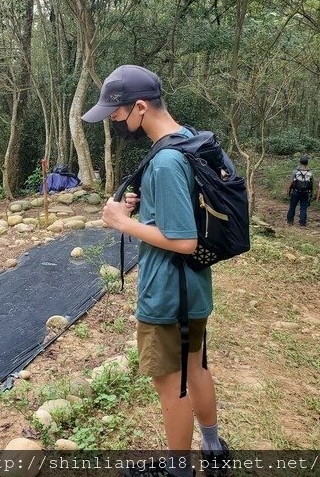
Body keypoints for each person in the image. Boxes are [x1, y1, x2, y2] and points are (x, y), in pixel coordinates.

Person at [82, 65, 229, 477]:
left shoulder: (165, 161)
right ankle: (214, 448)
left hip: (168, 293)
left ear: (141, 107)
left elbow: (183, 240)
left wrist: (122, 222)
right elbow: (185, 211)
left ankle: (179, 470)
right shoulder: (189, 142)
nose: (113, 122)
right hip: (194, 288)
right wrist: (145, 205)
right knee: (196, 366)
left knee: (172, 385)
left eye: (116, 114)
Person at [286, 155, 313, 226]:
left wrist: (288, 190)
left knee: (292, 206)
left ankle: (290, 221)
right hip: (305, 192)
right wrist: (311, 193)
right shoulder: (310, 173)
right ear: (307, 163)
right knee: (303, 207)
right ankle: (302, 222)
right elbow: (311, 184)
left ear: (300, 163)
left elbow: (291, 182)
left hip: (295, 191)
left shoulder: (295, 172)